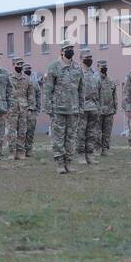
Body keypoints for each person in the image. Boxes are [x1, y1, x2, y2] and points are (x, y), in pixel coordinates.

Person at [42, 42, 84, 174]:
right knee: (58, 137)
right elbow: (48, 89)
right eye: (68, 49)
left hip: (73, 108)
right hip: (58, 108)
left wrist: (81, 107)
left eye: (72, 49)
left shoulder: (77, 67)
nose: (70, 51)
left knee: (71, 137)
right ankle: (60, 163)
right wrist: (48, 107)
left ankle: (68, 162)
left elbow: (81, 89)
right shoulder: (53, 67)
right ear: (62, 51)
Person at [76, 47, 101, 164]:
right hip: (81, 107)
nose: (89, 60)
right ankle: (81, 155)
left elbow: (99, 91)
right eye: (87, 58)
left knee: (91, 132)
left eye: (90, 58)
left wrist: (98, 106)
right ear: (81, 59)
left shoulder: (95, 74)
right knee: (81, 132)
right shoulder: (77, 73)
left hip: (93, 107)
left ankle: (89, 154)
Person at [97, 60, 117, 156]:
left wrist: (115, 108)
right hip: (98, 111)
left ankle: (105, 149)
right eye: (102, 67)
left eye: (105, 67)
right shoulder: (94, 80)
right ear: (98, 67)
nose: (104, 69)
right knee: (97, 131)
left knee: (107, 132)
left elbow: (114, 96)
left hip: (109, 111)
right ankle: (97, 149)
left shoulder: (111, 81)